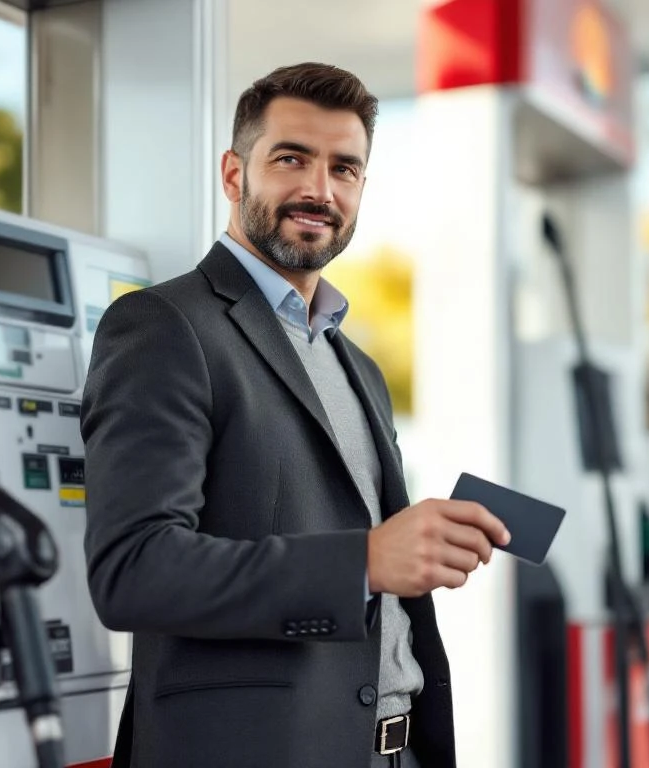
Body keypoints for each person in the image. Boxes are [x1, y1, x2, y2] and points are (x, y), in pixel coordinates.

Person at [81, 62, 510, 768]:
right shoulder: (163, 327)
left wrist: (418, 546)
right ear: (233, 174)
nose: (319, 189)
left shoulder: (358, 366)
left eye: (345, 169)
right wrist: (365, 561)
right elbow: (135, 570)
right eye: (291, 159)